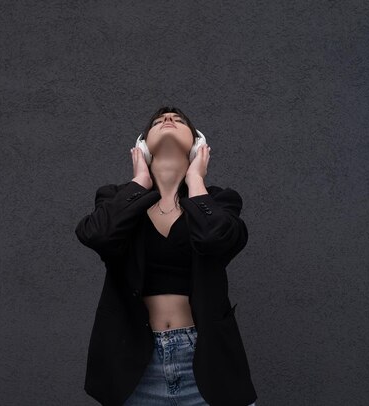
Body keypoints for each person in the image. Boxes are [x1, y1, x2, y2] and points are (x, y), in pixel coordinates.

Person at [75, 106, 258, 405]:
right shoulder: (114, 198)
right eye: (158, 121)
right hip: (135, 365)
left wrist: (196, 181)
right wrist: (139, 183)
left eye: (178, 119)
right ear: (142, 147)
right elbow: (96, 234)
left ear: (199, 144)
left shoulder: (221, 200)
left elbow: (216, 237)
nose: (168, 119)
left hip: (206, 364)